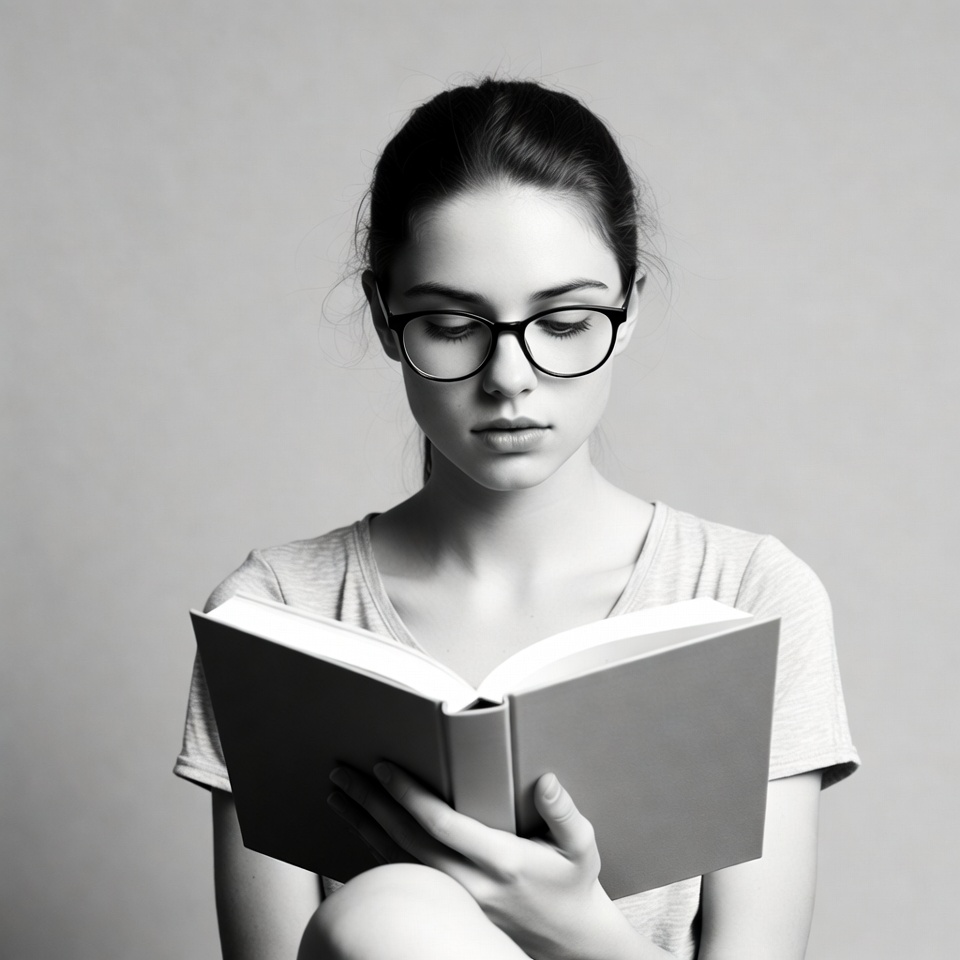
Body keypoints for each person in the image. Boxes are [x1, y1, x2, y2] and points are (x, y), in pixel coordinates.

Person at [175, 77, 859, 960]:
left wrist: (577, 927)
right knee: (385, 921)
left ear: (632, 305)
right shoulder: (276, 614)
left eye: (566, 319)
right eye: (453, 324)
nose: (510, 377)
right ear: (387, 319)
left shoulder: (749, 595)